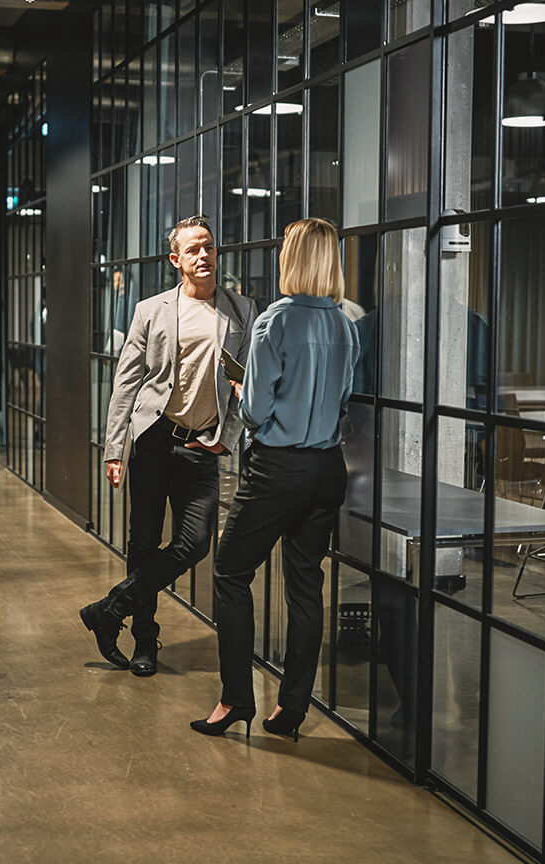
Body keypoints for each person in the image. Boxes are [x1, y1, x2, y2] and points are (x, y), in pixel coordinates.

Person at [190, 218, 359, 739]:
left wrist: (243, 389)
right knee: (306, 586)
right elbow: (344, 400)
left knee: (230, 573)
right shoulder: (346, 324)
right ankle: (291, 709)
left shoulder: (274, 321)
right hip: (328, 469)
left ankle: (236, 699)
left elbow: (259, 410)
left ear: (294, 258)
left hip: (278, 469)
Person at [78, 215, 257, 677]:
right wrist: (115, 449)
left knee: (195, 543)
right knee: (142, 542)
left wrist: (228, 439)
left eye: (210, 247)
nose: (204, 256)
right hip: (155, 439)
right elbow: (126, 383)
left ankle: (109, 610)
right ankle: (144, 640)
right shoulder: (151, 310)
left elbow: (246, 385)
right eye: (193, 249)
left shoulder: (241, 311)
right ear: (176, 260)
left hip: (203, 446)